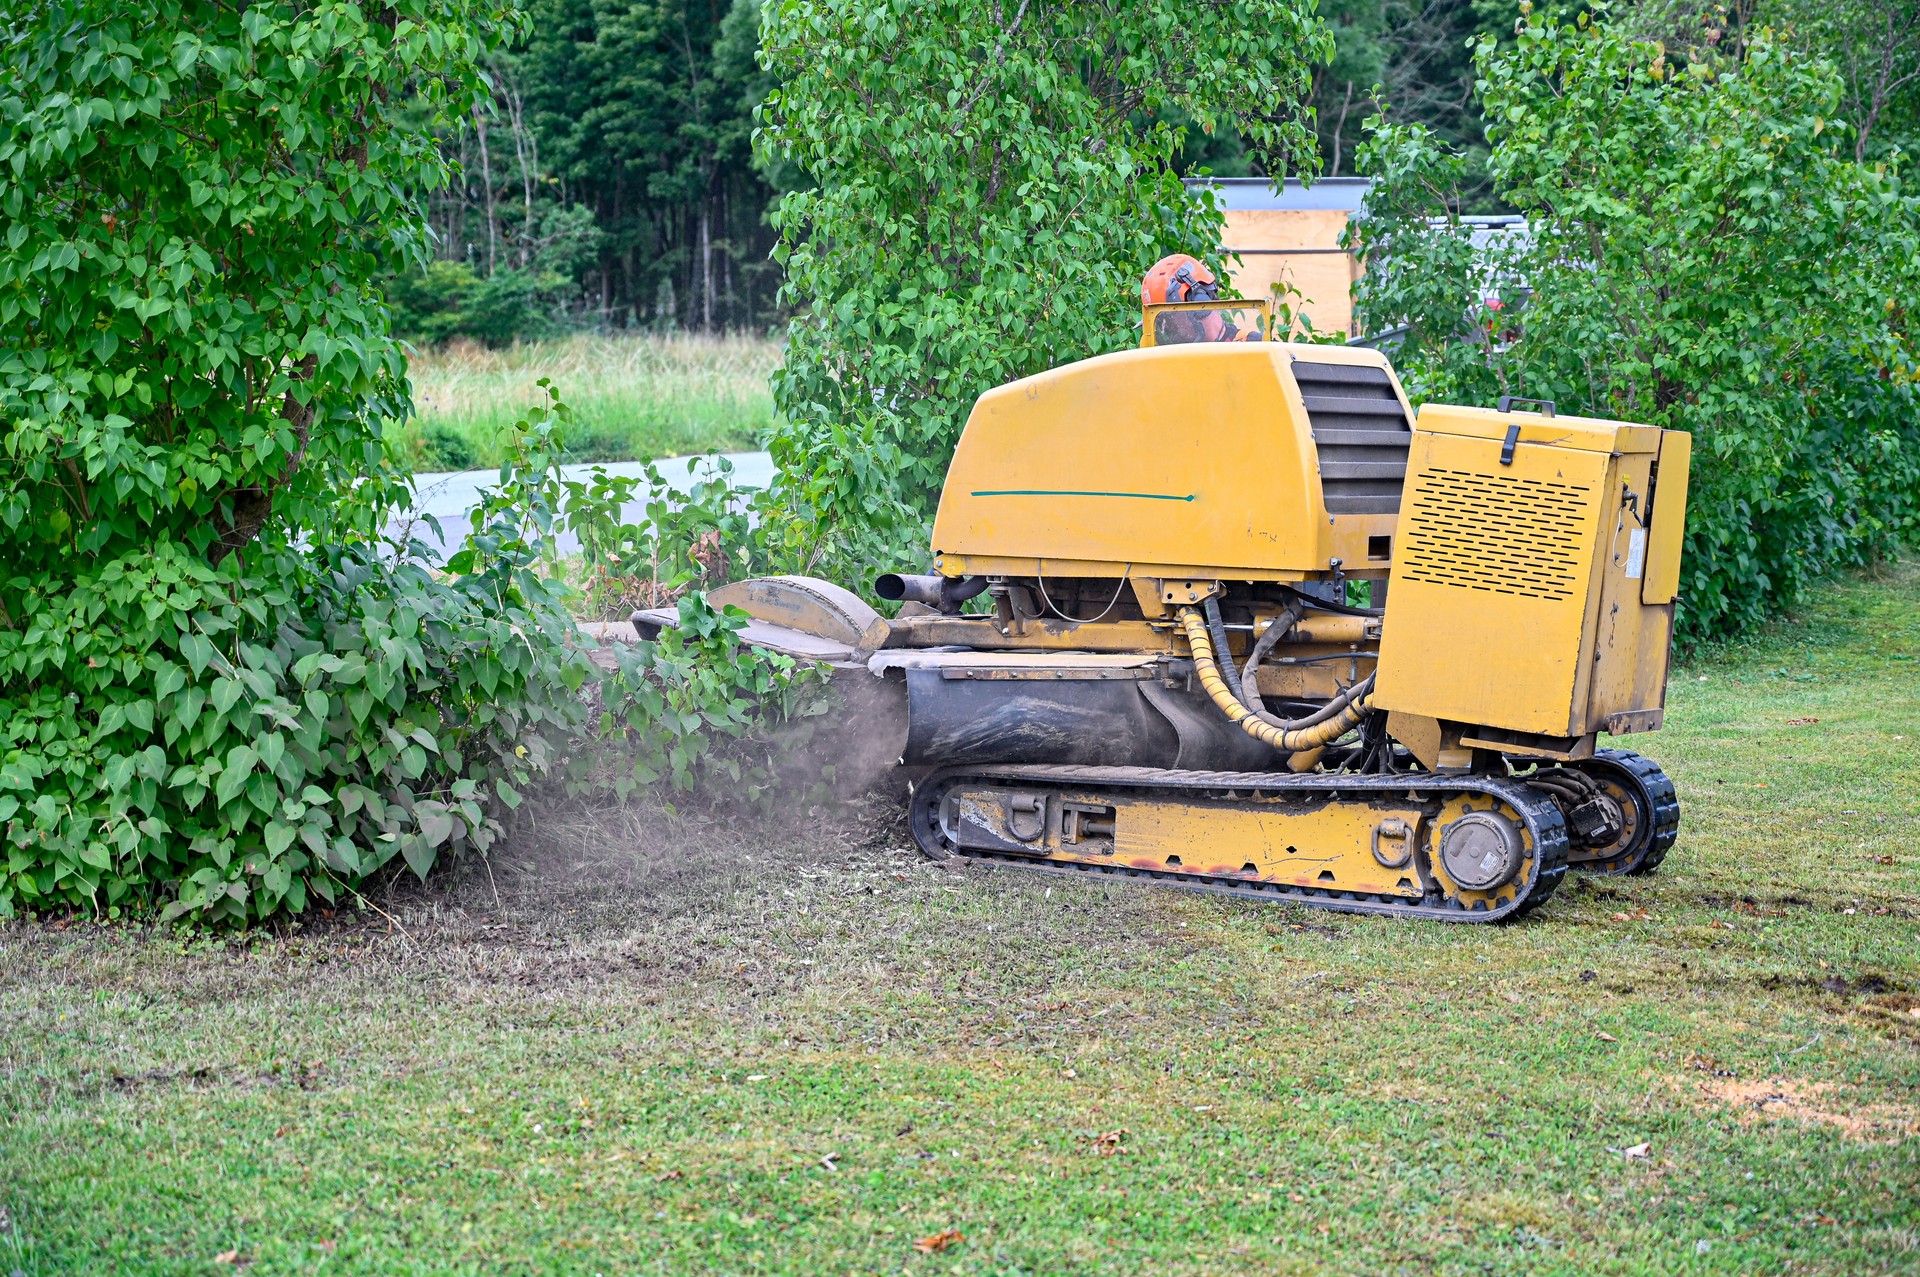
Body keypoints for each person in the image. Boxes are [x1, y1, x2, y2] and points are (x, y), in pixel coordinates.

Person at [1140, 253, 1258, 343]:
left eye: (1168, 319)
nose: (1167, 328)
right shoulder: (1176, 361)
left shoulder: (1253, 348)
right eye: (1161, 323)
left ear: (1199, 303)